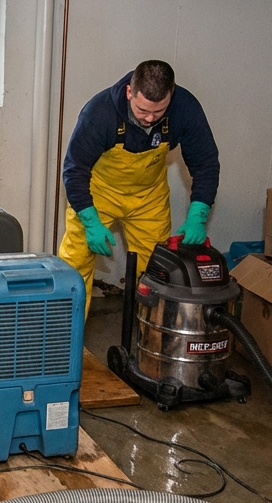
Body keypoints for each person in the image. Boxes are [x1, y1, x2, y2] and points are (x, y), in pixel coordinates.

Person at [59, 60, 220, 314]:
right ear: (129, 92)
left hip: (149, 199)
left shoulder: (185, 109)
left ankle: (153, 339)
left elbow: (205, 164)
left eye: (158, 112)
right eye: (143, 110)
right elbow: (74, 169)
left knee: (158, 271)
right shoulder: (99, 113)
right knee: (75, 263)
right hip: (98, 195)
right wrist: (90, 222)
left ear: (171, 95)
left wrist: (198, 216)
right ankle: (65, 337)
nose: (149, 119)